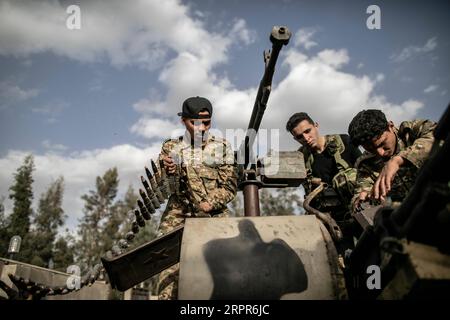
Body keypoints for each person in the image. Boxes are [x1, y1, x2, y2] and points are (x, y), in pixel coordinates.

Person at [156, 96, 237, 300]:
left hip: (214, 215)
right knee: (169, 270)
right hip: (179, 214)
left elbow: (229, 186)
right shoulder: (170, 147)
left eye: (207, 123)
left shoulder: (223, 147)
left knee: (228, 268)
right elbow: (162, 187)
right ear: (183, 121)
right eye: (195, 123)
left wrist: (210, 203)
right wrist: (169, 172)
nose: (202, 128)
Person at [286, 112, 362, 253]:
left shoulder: (344, 142)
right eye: (299, 137)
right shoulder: (301, 158)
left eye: (307, 131)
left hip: (358, 210)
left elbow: (366, 171)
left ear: (316, 125)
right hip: (332, 221)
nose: (306, 138)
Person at [348, 109, 436, 210]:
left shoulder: (414, 129)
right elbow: (359, 194)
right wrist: (361, 200)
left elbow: (438, 139)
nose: (380, 152)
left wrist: (398, 160)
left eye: (382, 144)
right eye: (370, 149)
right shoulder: (366, 164)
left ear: (390, 126)